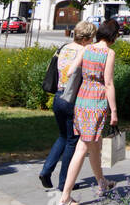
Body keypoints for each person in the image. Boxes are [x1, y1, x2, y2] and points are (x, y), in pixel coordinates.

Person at [58, 18, 119, 205]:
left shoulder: (86, 49)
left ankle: (101, 182)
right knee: (83, 147)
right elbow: (108, 83)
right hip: (97, 101)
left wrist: (86, 77)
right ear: (113, 36)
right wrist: (114, 111)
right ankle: (66, 196)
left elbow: (71, 71)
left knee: (93, 145)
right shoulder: (108, 53)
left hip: (82, 99)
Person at [39, 20, 96, 191]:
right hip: (73, 99)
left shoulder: (64, 47)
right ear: (86, 38)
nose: (93, 41)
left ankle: (46, 170)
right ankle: (65, 183)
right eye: (92, 37)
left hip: (58, 96)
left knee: (63, 136)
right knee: (73, 140)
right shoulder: (84, 52)